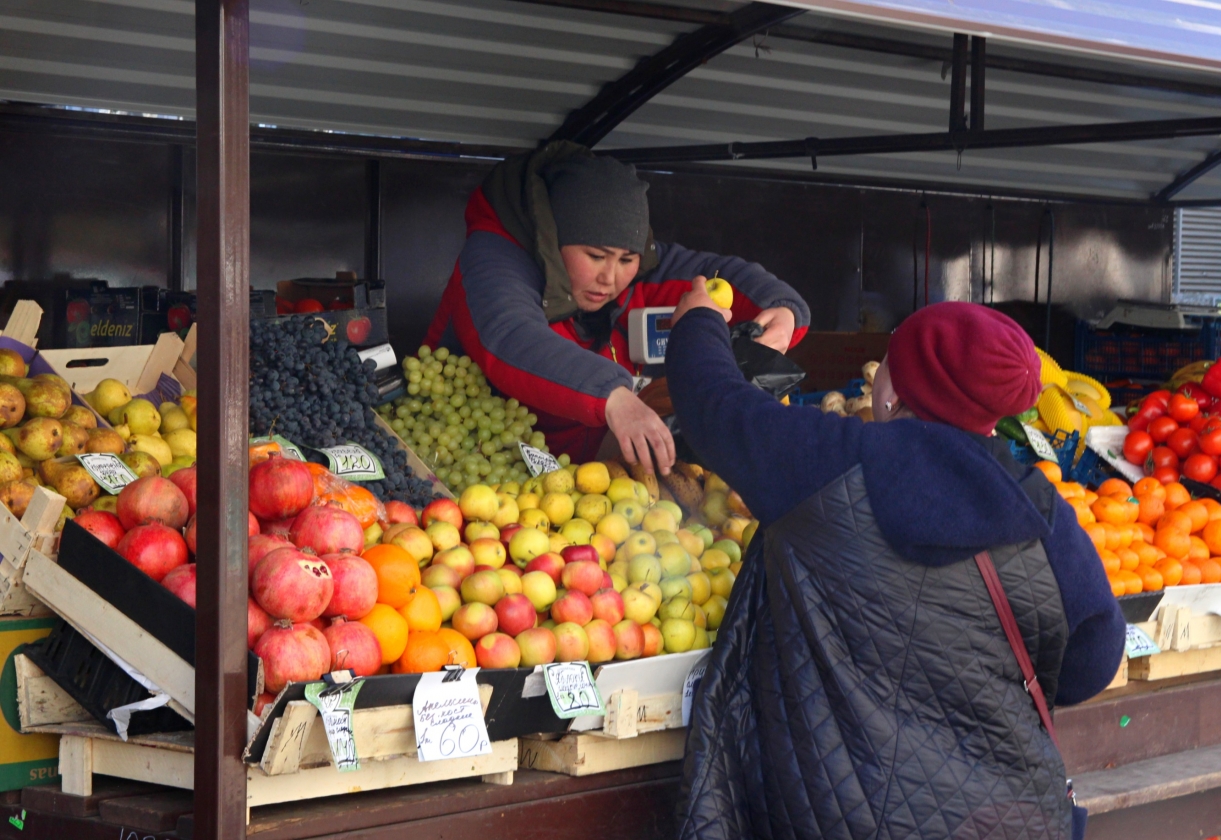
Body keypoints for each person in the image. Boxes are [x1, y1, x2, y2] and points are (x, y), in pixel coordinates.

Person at [665, 290, 1125, 840]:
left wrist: (697, 320)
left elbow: (712, 402)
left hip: (838, 814)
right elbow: (1093, 659)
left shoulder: (825, 461)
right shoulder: (1040, 508)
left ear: (897, 388)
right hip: (1002, 815)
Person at [423, 141, 810, 473]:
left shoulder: (643, 270)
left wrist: (785, 309)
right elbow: (509, 335)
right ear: (554, 240)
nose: (611, 278)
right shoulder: (494, 259)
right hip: (467, 467)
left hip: (584, 494)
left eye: (627, 260)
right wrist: (613, 396)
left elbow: (723, 274)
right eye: (595, 256)